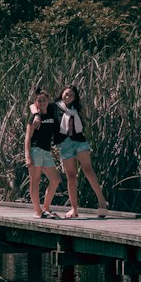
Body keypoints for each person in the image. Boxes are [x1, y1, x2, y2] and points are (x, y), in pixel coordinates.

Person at [56, 84, 109, 219]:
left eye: (71, 95)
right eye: (66, 94)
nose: (68, 97)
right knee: (71, 176)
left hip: (79, 141)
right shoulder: (55, 107)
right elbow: (36, 106)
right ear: (62, 94)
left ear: (75, 98)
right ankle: (74, 209)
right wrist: (37, 116)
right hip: (65, 143)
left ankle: (102, 202)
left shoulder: (76, 109)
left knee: (88, 170)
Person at [25, 86, 61, 218]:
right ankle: (37, 212)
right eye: (39, 101)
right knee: (35, 180)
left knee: (55, 179)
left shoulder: (51, 110)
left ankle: (46, 208)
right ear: (36, 102)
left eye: (44, 100)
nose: (42, 103)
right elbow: (28, 138)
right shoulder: (33, 118)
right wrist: (27, 156)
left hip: (46, 152)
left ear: (48, 101)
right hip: (35, 150)